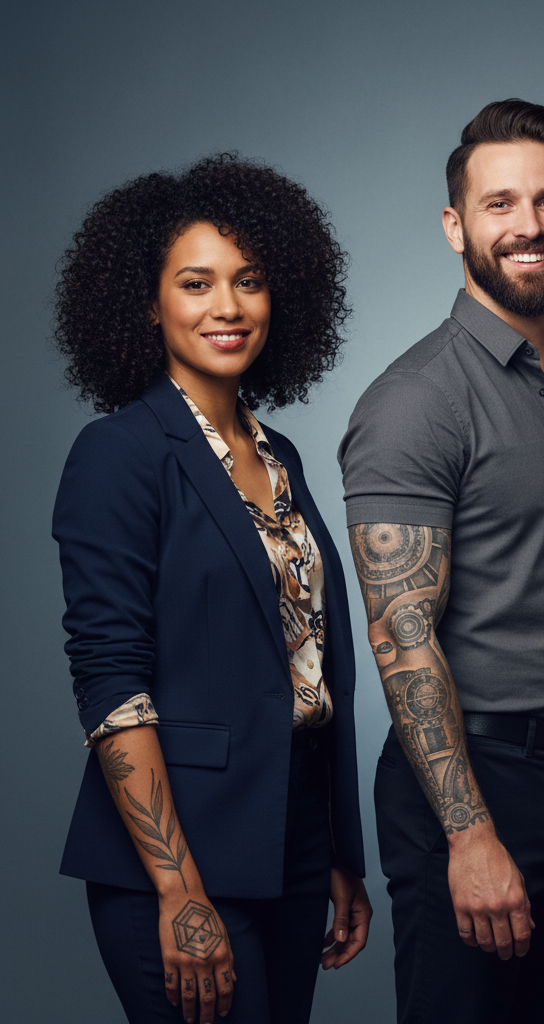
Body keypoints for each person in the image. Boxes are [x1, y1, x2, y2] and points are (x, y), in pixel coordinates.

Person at [340, 99, 544, 1024]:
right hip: (473, 783)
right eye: (500, 203)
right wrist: (468, 835)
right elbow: (402, 638)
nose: (528, 226)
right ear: (456, 226)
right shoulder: (415, 401)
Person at [52, 153, 370, 1024]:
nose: (227, 306)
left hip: (292, 839)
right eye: (196, 283)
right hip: (178, 856)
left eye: (249, 281)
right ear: (147, 303)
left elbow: (305, 664)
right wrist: (179, 890)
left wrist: (337, 849)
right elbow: (111, 682)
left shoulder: (280, 457)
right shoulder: (119, 453)